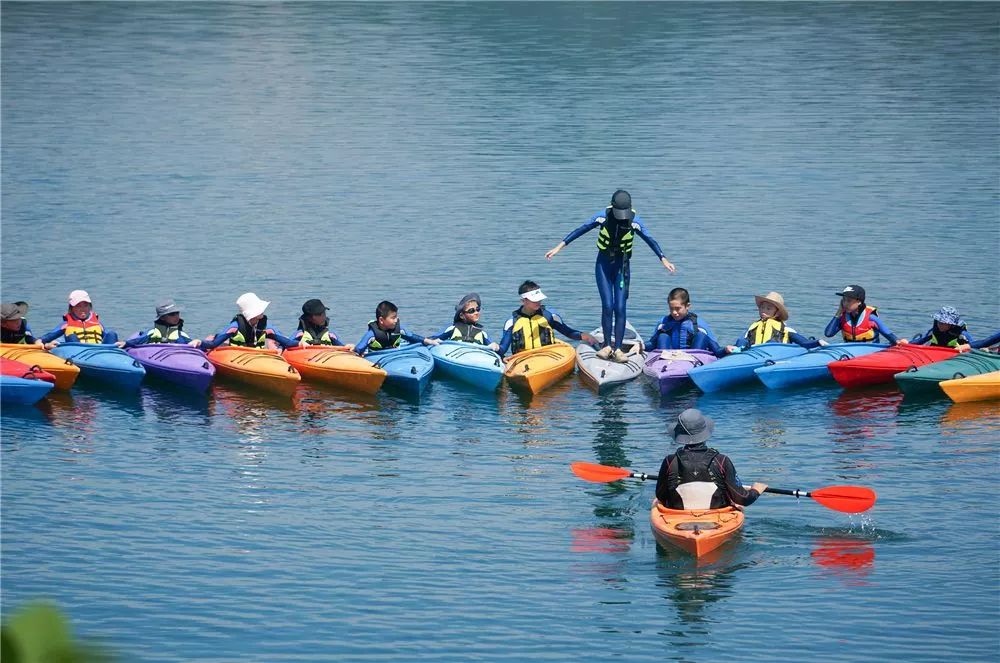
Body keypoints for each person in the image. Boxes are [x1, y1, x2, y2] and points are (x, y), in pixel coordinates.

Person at [545, 189, 676, 363]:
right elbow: (581, 229)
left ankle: (618, 349)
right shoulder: (602, 216)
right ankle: (607, 346)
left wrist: (663, 259)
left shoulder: (634, 221)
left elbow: (650, 240)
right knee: (607, 305)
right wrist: (559, 247)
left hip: (622, 267)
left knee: (620, 307)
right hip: (603, 265)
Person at [655, 408, 767, 511]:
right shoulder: (722, 461)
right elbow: (743, 499)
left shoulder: (669, 461)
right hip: (717, 515)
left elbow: (661, 496)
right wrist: (756, 490)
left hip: (677, 517)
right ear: (704, 432)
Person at [497, 281, 597, 359]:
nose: (538, 302)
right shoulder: (512, 322)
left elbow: (568, 332)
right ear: (523, 301)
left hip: (547, 356)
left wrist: (583, 335)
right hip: (522, 358)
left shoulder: (549, 316)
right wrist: (497, 352)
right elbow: (503, 348)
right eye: (534, 300)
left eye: (539, 299)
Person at [643, 287, 726, 357]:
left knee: (701, 336)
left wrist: (726, 350)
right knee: (662, 336)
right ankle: (660, 362)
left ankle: (696, 364)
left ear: (688, 306)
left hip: (693, 359)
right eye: (671, 308)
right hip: (667, 360)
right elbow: (652, 343)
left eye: (678, 308)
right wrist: (640, 346)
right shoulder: (663, 323)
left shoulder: (698, 324)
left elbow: (717, 350)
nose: (674, 312)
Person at [728, 291, 821, 352]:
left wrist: (818, 342)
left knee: (771, 342)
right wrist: (731, 349)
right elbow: (740, 342)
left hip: (776, 355)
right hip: (753, 355)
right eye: (762, 308)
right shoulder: (753, 327)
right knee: (741, 340)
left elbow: (803, 342)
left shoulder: (785, 329)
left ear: (777, 312)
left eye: (768, 308)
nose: (763, 311)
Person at [200, 293, 297, 350]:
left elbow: (288, 343)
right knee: (216, 338)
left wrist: (300, 344)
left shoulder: (267, 327)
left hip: (259, 356)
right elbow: (214, 344)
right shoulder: (235, 326)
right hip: (236, 355)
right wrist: (200, 342)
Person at [39, 290, 123, 348]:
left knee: (112, 334)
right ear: (71, 308)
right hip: (79, 353)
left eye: (85, 305)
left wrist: (123, 344)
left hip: (100, 352)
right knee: (71, 336)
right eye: (78, 306)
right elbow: (43, 339)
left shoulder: (98, 324)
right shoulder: (66, 324)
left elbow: (112, 338)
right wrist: (47, 345)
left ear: (90, 307)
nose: (83, 309)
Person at [354, 301, 441, 356]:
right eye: (393, 318)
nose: (397, 320)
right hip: (377, 359)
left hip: (395, 357)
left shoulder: (398, 329)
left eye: (396, 317)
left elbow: (413, 337)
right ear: (381, 320)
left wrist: (430, 341)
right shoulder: (372, 334)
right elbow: (358, 350)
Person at [823, 285, 902, 345]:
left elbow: (891, 337)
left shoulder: (871, 318)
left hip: (871, 355)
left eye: (849, 301)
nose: (845, 304)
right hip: (850, 354)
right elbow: (828, 334)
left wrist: (899, 342)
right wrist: (838, 312)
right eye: (843, 300)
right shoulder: (842, 318)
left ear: (859, 302)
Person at [430, 292, 501, 352]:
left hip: (476, 359)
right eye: (471, 311)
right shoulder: (452, 329)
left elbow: (494, 347)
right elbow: (432, 339)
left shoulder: (482, 333)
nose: (476, 313)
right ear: (461, 315)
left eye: (478, 309)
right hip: (455, 355)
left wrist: (495, 346)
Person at [124, 299, 201, 348]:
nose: (176, 316)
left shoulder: (181, 334)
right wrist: (125, 343)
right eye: (172, 314)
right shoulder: (153, 332)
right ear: (162, 317)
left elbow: (193, 344)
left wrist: (198, 341)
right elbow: (137, 341)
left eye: (177, 313)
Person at [909, 306, 975, 351]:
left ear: (951, 324)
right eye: (938, 322)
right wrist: (907, 343)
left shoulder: (963, 335)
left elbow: (974, 345)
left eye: (943, 323)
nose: (939, 325)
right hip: (933, 355)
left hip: (954, 358)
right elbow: (920, 340)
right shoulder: (933, 331)